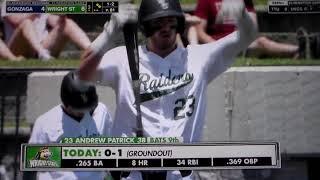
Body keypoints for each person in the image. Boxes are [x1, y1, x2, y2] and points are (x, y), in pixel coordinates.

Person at [78, 0, 257, 179]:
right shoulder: (122, 58)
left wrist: (242, 16)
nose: (166, 28)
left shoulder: (199, 58)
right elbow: (83, 73)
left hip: (180, 173)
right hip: (132, 173)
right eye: (158, 22)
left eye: (171, 21)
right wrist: (110, 31)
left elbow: (246, 37)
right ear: (146, 26)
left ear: (179, 24)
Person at [28, 71, 113, 180]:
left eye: (88, 107)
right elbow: (32, 165)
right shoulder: (45, 123)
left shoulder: (101, 112)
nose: (85, 111)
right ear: (66, 103)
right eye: (80, 109)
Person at [194, 0, 300, 58]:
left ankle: (298, 51)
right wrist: (217, 46)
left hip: (241, 45)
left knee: (261, 42)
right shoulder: (206, 1)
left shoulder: (246, 1)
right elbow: (199, 32)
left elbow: (253, 31)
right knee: (261, 42)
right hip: (218, 45)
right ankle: (299, 50)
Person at [1, 0, 91, 61]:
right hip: (17, 49)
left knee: (67, 23)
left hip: (42, 46)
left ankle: (92, 51)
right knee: (26, 23)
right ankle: (42, 53)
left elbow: (49, 19)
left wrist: (60, 19)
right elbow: (15, 20)